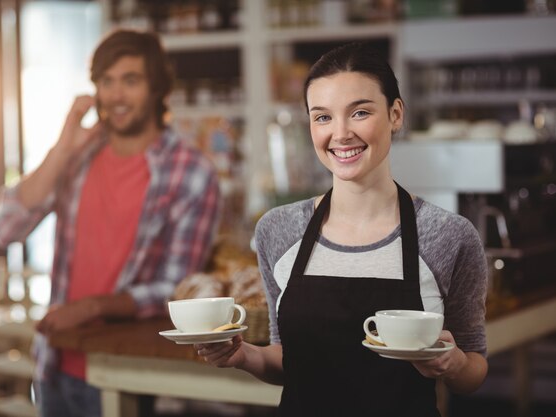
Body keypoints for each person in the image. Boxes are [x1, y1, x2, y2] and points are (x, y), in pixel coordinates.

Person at [195, 42, 488, 416]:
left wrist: (456, 365)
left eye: (360, 112)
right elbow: (290, 359)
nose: (341, 133)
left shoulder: (449, 235)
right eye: (322, 117)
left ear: (395, 115)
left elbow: (475, 370)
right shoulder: (278, 230)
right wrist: (243, 355)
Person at [0, 29, 221, 417]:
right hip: (54, 363)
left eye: (130, 81)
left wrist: (92, 306)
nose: (116, 95)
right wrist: (62, 148)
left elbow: (178, 290)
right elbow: (4, 230)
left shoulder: (192, 173)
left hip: (128, 373)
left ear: (156, 89)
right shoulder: (77, 158)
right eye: (106, 82)